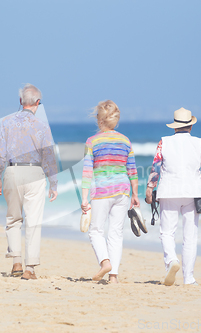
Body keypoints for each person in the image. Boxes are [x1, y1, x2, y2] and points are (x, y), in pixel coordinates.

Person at [146, 107, 201, 286]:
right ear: (191, 127)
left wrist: (149, 187)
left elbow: (155, 167)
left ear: (174, 127)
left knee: (167, 232)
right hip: (193, 193)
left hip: (169, 191)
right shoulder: (198, 143)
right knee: (190, 236)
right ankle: (189, 278)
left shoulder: (164, 142)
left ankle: (172, 261)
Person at [0, 83, 58, 280]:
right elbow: (49, 156)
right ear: (37, 103)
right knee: (33, 221)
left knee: (13, 219)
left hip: (12, 171)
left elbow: (0, 152)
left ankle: (16, 262)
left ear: (21, 101)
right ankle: (30, 268)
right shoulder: (42, 126)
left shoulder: (7, 122)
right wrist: (53, 183)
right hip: (35, 173)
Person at [81, 100, 140, 284]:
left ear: (99, 120)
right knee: (116, 233)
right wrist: (135, 195)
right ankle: (113, 277)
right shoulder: (125, 141)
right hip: (123, 191)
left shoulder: (92, 141)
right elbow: (132, 170)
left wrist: (84, 199)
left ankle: (105, 263)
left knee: (96, 231)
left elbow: (87, 172)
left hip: (101, 192)